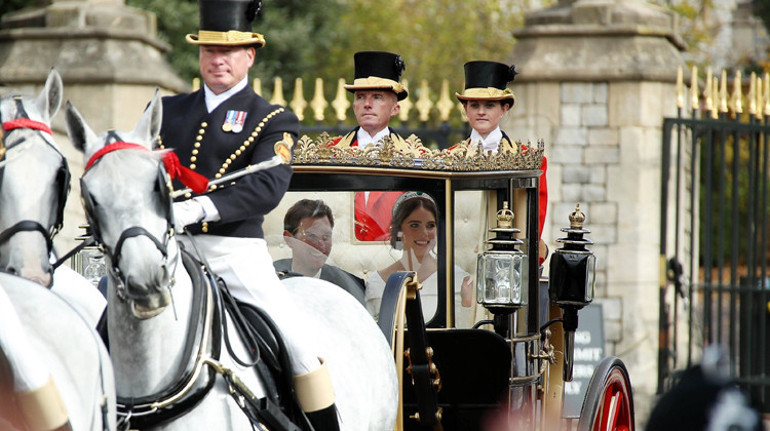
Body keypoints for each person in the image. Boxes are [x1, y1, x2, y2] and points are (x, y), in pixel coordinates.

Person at [161, 1, 339, 428]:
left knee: (297, 347)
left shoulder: (272, 118)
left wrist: (200, 207)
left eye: (229, 51)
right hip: (168, 246)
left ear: (249, 56)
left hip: (234, 253)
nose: (217, 59)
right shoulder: (168, 111)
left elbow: (267, 186)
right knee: (103, 316)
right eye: (209, 51)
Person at [455, 61, 549, 262]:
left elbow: (534, 222)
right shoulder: (449, 157)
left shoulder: (529, 159)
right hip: (459, 261)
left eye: (489, 105)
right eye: (474, 105)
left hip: (509, 260)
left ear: (504, 109)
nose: (481, 112)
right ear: (465, 109)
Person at [333, 51, 411, 241]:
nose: (367, 104)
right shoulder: (329, 152)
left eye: (377, 97)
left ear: (395, 108)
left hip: (394, 257)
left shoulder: (415, 155)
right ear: (354, 107)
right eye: (360, 97)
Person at [364, 192, 474, 326]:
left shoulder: (457, 279)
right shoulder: (377, 283)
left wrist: (466, 304)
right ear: (399, 231)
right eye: (415, 225)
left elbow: (464, 335)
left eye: (430, 225)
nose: (424, 233)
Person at [274, 199, 366, 305]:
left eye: (326, 236)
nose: (320, 244)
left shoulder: (350, 287)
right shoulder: (269, 278)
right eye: (311, 236)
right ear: (289, 239)